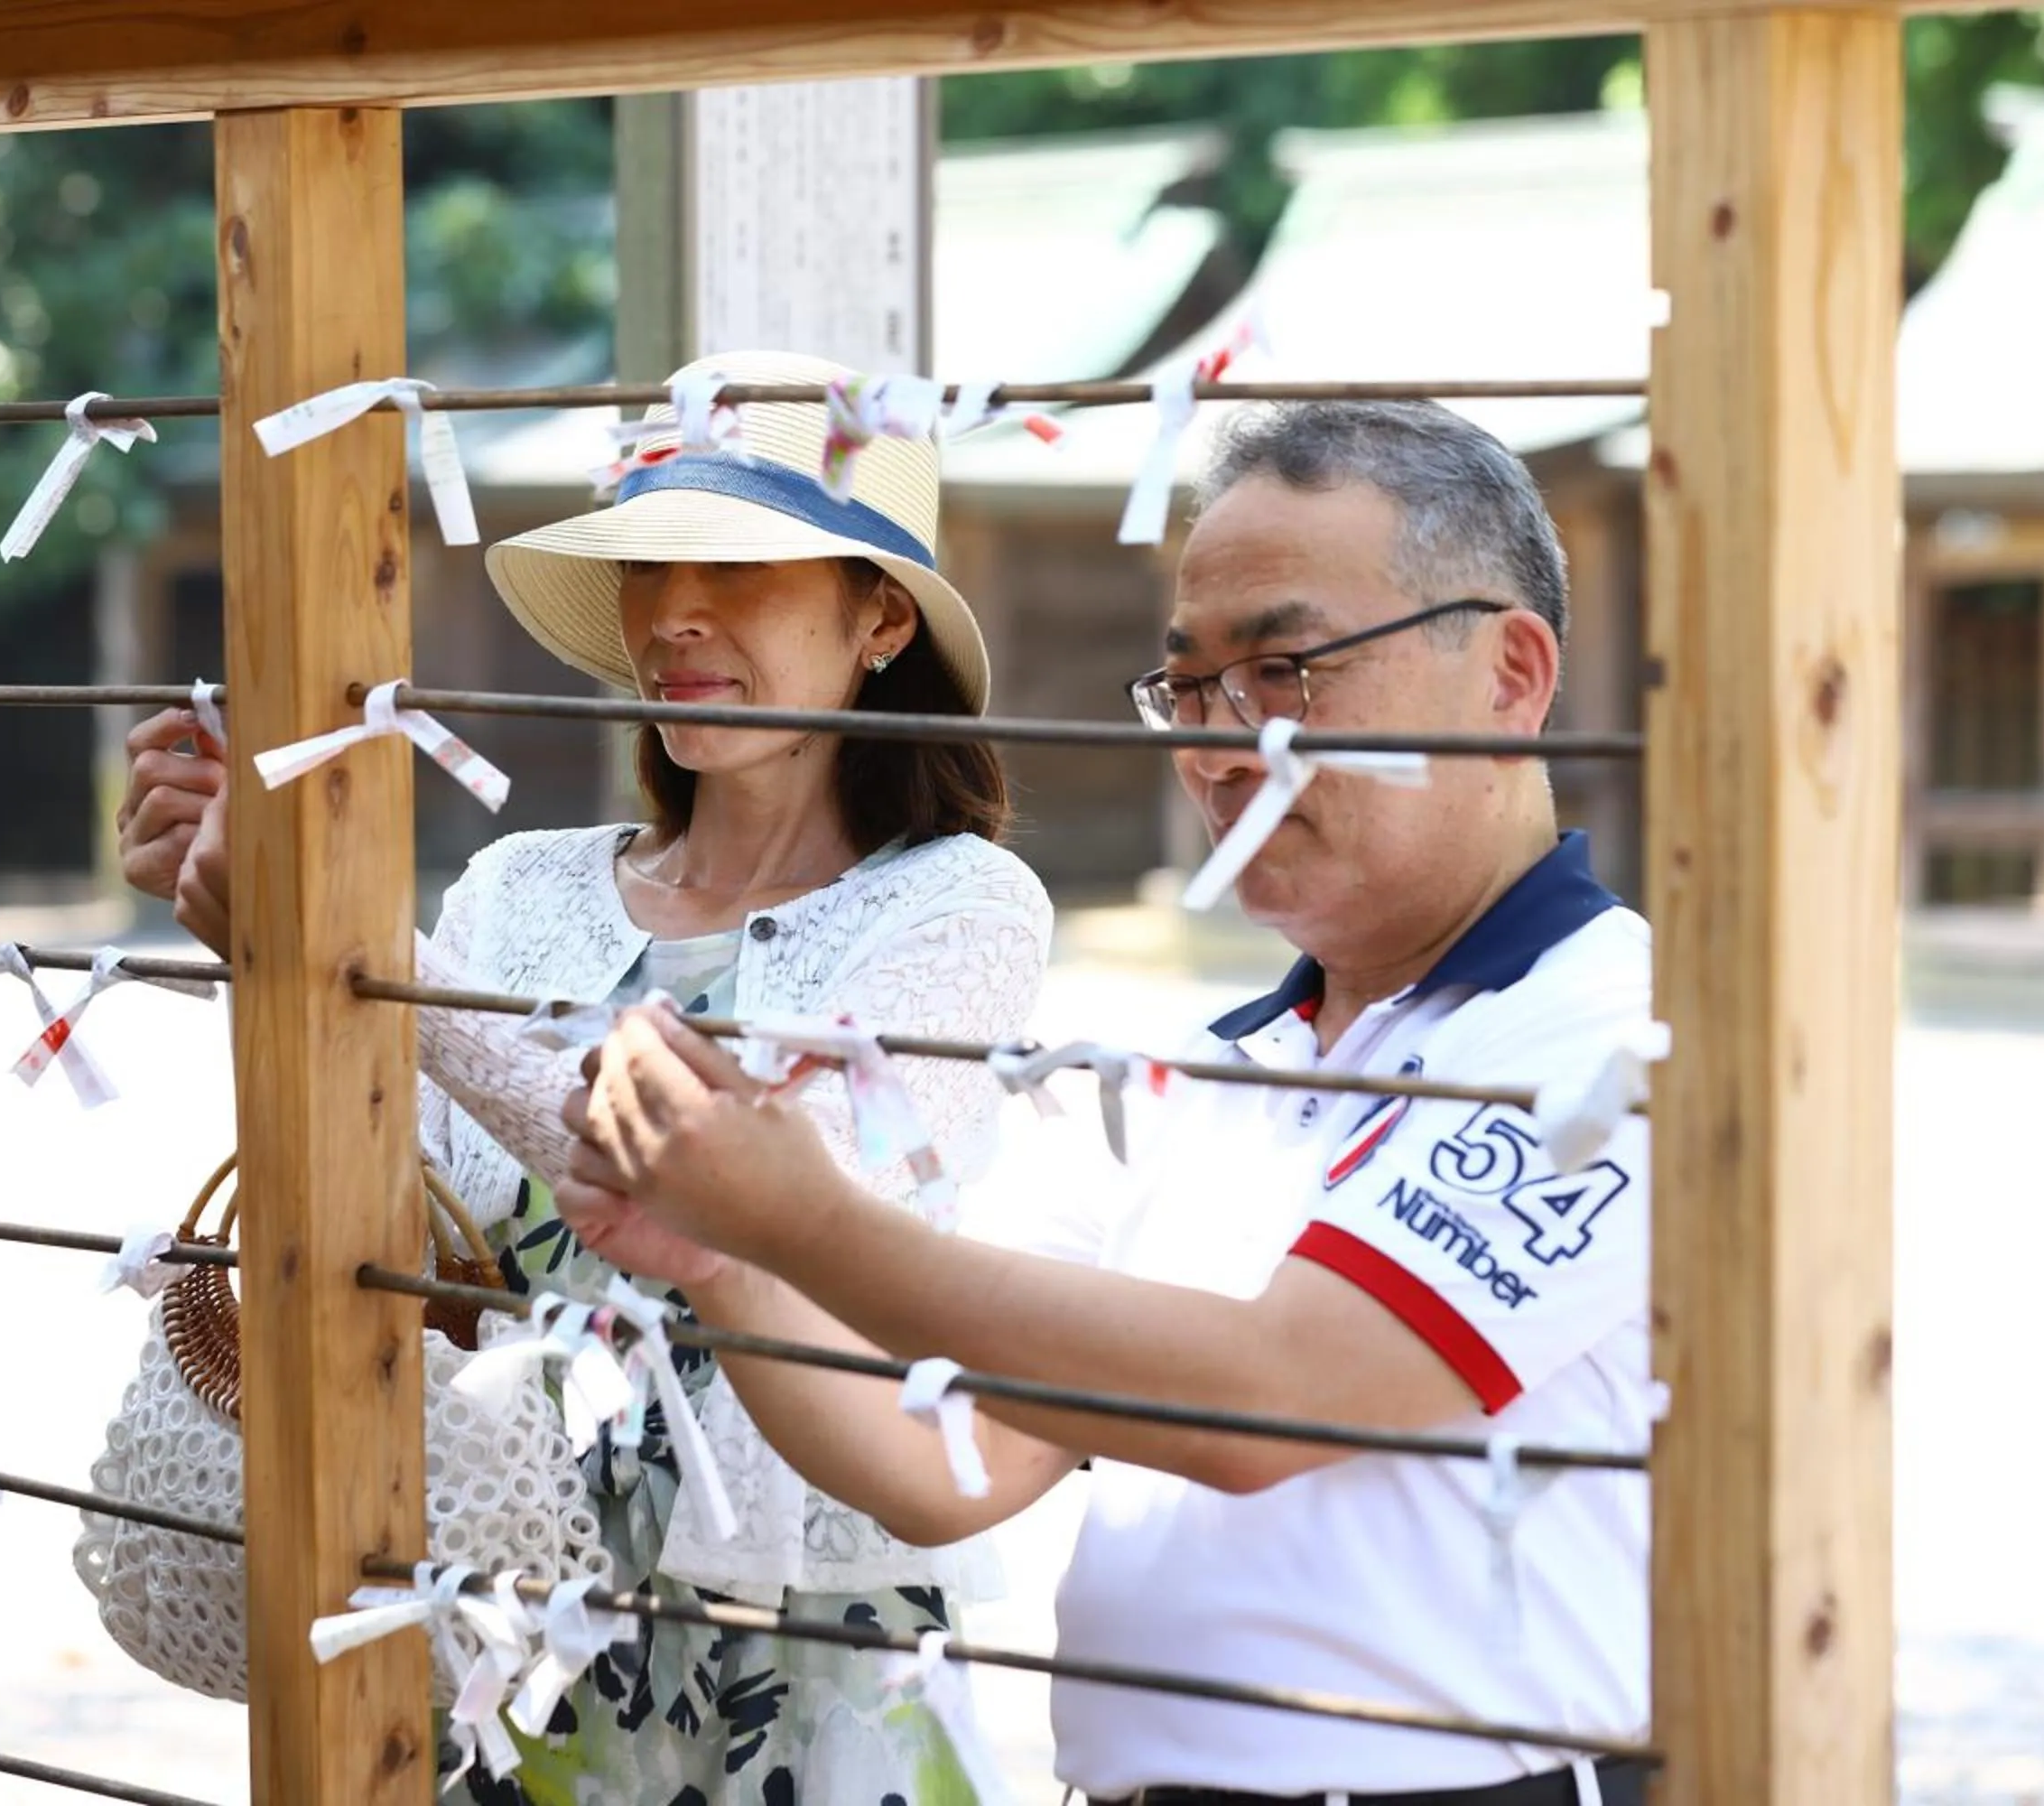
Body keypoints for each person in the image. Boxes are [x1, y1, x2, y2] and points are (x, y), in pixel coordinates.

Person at [555, 401, 1658, 1806]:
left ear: (1510, 673)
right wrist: (729, 1264)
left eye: (1286, 669)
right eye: (1190, 686)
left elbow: (1275, 1396)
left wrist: (798, 1217)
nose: (1215, 746)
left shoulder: (1604, 1033)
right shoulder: (1201, 1066)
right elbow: (946, 1462)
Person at [115, 349, 1054, 1806]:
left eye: (736, 564)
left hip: (803, 1651)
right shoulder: (515, 890)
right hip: (503, 1627)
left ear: (881, 617)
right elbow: (404, 1224)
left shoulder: (963, 911)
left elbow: (748, 1193)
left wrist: (378, 969)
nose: (674, 613)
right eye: (646, 563)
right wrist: (260, 944)